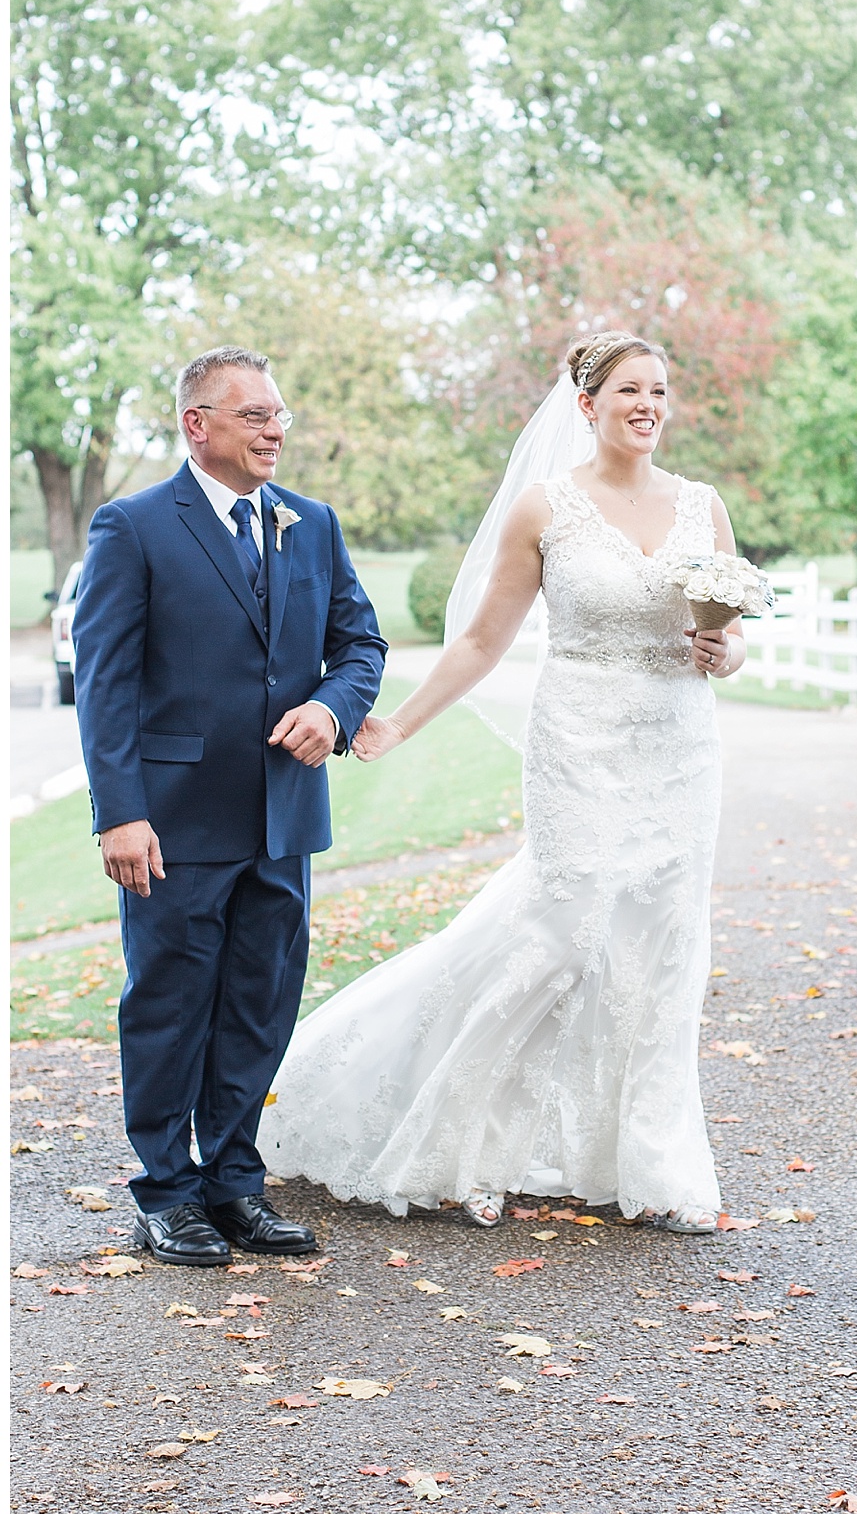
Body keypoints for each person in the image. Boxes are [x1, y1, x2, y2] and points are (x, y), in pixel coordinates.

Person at [262, 331, 747, 1233]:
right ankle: (464, 1146)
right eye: (629, 389)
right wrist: (401, 721)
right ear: (587, 405)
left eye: (660, 390)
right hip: (577, 740)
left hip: (680, 749)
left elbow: (732, 633)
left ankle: (650, 1163)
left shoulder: (702, 506)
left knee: (662, 947)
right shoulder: (545, 508)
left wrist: (726, 649)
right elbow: (485, 639)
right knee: (563, 933)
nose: (648, 404)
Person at [72, 347, 387, 1266]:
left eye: (280, 413)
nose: (275, 429)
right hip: (169, 820)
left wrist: (333, 707)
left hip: (282, 816)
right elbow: (105, 684)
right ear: (196, 425)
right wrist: (118, 811)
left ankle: (234, 1184)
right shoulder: (132, 526)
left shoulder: (311, 524)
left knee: (261, 1002)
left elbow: (358, 641)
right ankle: (165, 1192)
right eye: (253, 415)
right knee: (169, 1005)